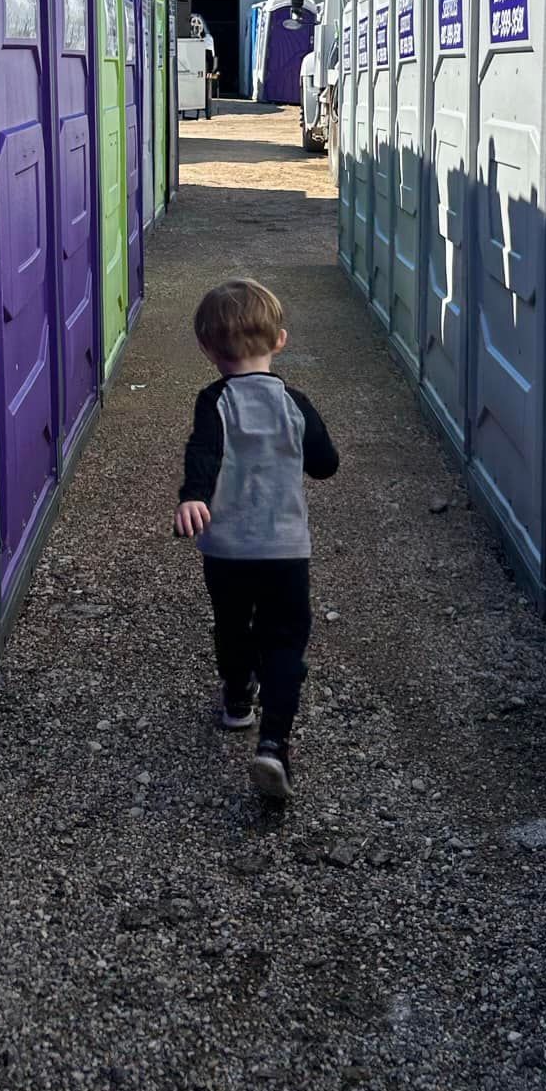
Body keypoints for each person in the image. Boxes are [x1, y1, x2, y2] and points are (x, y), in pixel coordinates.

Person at [175, 278, 339, 798]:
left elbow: (203, 452)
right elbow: (325, 465)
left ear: (207, 349)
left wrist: (193, 496)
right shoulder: (295, 402)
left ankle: (238, 697)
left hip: (225, 548)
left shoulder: (214, 401)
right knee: (286, 640)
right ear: (280, 340)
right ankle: (274, 745)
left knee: (231, 622)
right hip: (285, 549)